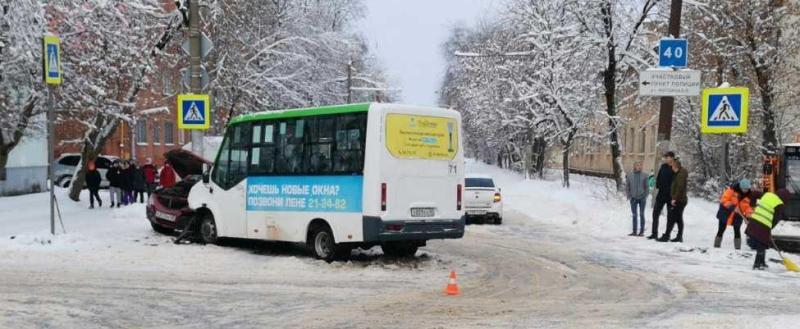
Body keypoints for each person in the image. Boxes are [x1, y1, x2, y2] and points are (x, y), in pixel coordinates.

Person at [746, 188, 791, 270]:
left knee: (763, 243)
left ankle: (762, 263)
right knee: (761, 244)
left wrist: (752, 205)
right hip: (763, 225)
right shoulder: (780, 204)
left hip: (754, 221)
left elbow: (753, 193)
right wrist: (770, 228)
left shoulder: (767, 195)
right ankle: (757, 264)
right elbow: (776, 219)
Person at [714, 179, 753, 249]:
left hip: (737, 215)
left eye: (747, 189)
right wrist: (732, 207)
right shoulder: (731, 190)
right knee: (721, 229)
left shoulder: (749, 195)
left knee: (737, 230)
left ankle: (738, 249)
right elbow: (724, 200)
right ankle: (716, 246)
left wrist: (748, 215)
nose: (746, 190)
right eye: (745, 189)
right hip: (725, 213)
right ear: (741, 187)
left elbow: (747, 207)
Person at [658, 158, 688, 243]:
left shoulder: (680, 175)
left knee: (672, 218)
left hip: (679, 200)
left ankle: (667, 235)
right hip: (680, 200)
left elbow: (679, 188)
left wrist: (674, 199)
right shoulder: (679, 173)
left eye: (672, 167)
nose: (671, 169)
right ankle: (678, 236)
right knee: (678, 218)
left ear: (675, 167)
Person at [648, 152, 676, 240]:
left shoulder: (675, 167)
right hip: (661, 194)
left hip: (670, 195)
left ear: (672, 158)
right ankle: (654, 233)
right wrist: (659, 185)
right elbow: (659, 177)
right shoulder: (663, 166)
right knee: (655, 213)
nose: (666, 159)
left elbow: (676, 181)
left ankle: (667, 235)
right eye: (665, 157)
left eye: (668, 157)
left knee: (670, 216)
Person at [626, 161, 649, 236]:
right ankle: (634, 231)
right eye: (637, 165)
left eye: (640, 165)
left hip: (642, 198)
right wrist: (629, 196)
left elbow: (647, 187)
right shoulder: (629, 175)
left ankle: (641, 232)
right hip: (633, 198)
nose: (639, 166)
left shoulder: (645, 175)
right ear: (634, 166)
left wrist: (645, 196)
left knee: (642, 214)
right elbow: (627, 187)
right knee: (634, 215)